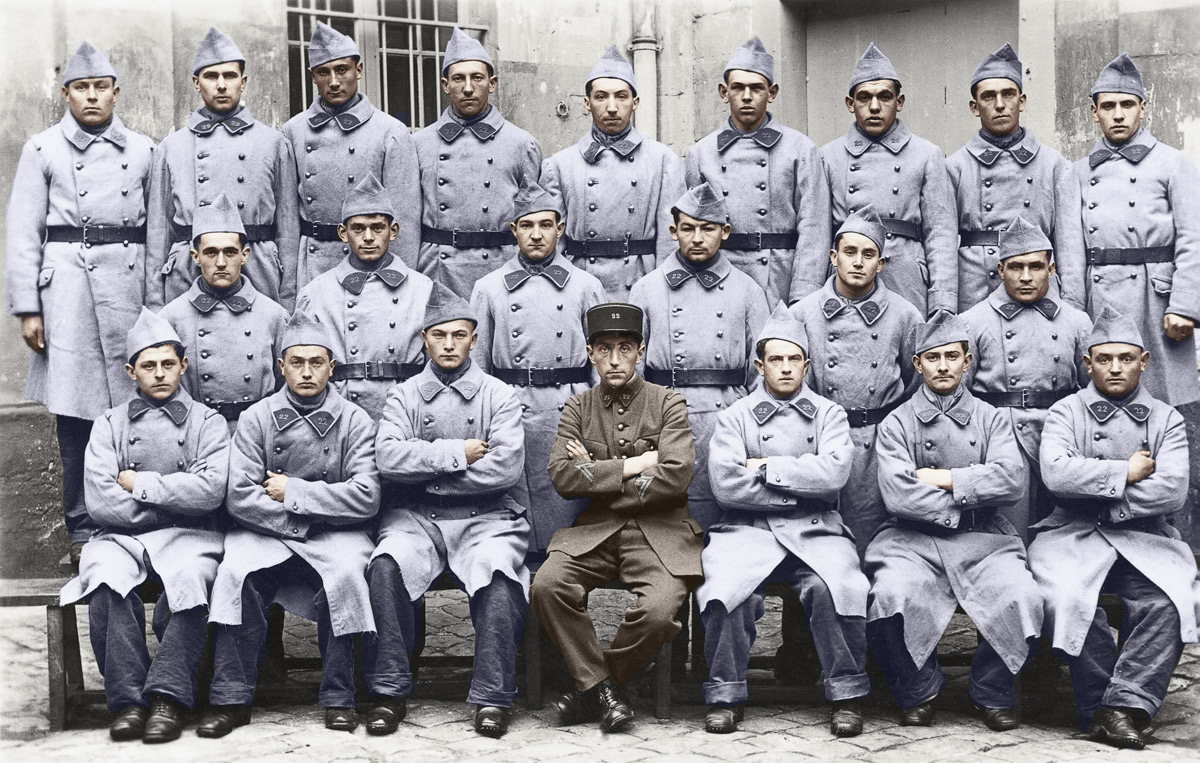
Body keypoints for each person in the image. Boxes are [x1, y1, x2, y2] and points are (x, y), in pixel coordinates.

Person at [5, 41, 155, 563]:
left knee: (137, 409)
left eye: (100, 88)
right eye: (80, 88)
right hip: (67, 290)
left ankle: (137, 515)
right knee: (75, 416)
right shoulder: (43, 149)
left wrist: (155, 301)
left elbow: (155, 232)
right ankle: (82, 524)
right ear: (65, 93)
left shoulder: (142, 150)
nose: (91, 97)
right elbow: (24, 232)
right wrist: (29, 307)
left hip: (130, 286)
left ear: (116, 92)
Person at [200, 311, 380, 737]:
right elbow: (240, 497)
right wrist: (301, 521)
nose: (306, 372)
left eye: (316, 362)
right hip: (270, 530)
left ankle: (340, 696)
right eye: (296, 362)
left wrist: (296, 492)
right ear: (280, 366)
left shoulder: (355, 420)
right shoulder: (257, 418)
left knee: (347, 576)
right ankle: (230, 697)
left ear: (331, 367)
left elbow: (367, 497)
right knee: (235, 574)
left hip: (336, 534)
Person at [365, 283, 530, 738]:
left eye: (459, 335)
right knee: (386, 565)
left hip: (487, 518)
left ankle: (492, 695)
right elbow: (388, 460)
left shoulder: (499, 395)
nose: (450, 344)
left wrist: (422, 465)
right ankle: (390, 688)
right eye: (439, 335)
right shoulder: (405, 396)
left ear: (474, 339)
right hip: (417, 517)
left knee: (498, 575)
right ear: (425, 339)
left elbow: (503, 470)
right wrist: (457, 453)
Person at [1030, 305, 1198, 750]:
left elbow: (1171, 491)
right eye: (1104, 359)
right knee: (1066, 598)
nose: (1115, 367)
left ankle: (1119, 708)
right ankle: (1101, 705)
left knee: (1170, 600)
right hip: (1070, 534)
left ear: (1144, 362)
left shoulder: (1166, 419)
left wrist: (1101, 497)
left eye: (1126, 358)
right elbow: (1057, 475)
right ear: (1088, 364)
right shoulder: (1065, 413)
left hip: (1146, 537)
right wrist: (1126, 470)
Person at [697, 304, 869, 737]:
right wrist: (800, 482)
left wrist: (765, 466)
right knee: (726, 593)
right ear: (760, 365)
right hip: (746, 531)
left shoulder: (830, 414)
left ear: (807, 365)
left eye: (795, 360)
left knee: (837, 589)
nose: (787, 368)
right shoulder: (734, 417)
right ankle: (725, 693)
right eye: (777, 359)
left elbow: (833, 477)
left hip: (818, 530)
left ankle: (846, 693)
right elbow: (727, 487)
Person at [59, 308, 228, 743]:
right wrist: (175, 501)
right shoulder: (108, 425)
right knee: (106, 582)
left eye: (168, 364)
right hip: (119, 538)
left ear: (183, 366)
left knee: (191, 582)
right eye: (148, 366)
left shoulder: (207, 423)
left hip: (193, 537)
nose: (159, 374)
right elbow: (101, 503)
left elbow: (210, 492)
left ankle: (169, 697)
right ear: (131, 371)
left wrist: (143, 486)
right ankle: (128, 702)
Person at [530, 303, 700, 733]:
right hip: (595, 533)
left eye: (625, 348)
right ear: (590, 353)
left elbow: (676, 476)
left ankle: (598, 687)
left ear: (640, 351)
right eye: (604, 349)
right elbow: (563, 475)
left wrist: (599, 475)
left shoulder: (668, 403)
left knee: (661, 611)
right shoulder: (578, 407)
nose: (614, 359)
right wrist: (636, 464)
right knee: (548, 586)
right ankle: (605, 690)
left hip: (660, 533)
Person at [865, 319, 1042, 731]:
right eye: (932, 358)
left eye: (951, 357)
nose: (942, 366)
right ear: (917, 364)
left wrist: (943, 478)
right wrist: (971, 491)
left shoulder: (993, 419)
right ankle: (919, 687)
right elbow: (898, 494)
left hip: (986, 538)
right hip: (911, 539)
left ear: (966, 362)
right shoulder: (897, 422)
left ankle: (990, 691)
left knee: (1024, 597)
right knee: (890, 597)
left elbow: (1011, 480)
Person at [469, 180, 606, 551]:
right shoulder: (489, 288)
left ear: (559, 229)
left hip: (568, 407)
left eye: (545, 225)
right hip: (512, 409)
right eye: (526, 226)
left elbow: (601, 364)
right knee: (516, 515)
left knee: (566, 514)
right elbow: (478, 368)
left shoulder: (586, 286)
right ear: (513, 230)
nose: (536, 235)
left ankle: (561, 595)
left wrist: (599, 419)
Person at [628, 182, 769, 530]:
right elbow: (633, 367)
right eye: (688, 228)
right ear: (674, 231)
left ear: (725, 232)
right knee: (666, 511)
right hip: (664, 413)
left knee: (721, 507)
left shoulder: (749, 290)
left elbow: (761, 368)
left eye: (707, 229)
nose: (697, 238)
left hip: (726, 413)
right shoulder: (646, 289)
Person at [789, 207, 922, 552]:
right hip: (816, 441)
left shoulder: (905, 315)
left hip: (876, 443)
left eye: (868, 254)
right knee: (815, 545)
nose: (858, 262)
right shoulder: (802, 313)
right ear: (834, 257)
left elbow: (914, 382)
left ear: (881, 264)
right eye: (850, 252)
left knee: (872, 542)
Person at [1076, 52, 1200, 410]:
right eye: (1108, 105)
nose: (1118, 114)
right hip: (1097, 297)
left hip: (1154, 299)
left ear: (1143, 108)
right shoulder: (1078, 171)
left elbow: (1194, 238)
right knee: (1101, 400)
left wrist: (1185, 306)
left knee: (1164, 404)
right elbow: (1070, 250)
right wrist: (1073, 309)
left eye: (1127, 104)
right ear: (1093, 112)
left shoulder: (1173, 163)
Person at [146, 28, 299, 310]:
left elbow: (288, 229)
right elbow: (158, 231)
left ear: (243, 81)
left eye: (229, 76)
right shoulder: (171, 146)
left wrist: (288, 294)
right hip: (188, 270)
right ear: (196, 82)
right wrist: (155, 300)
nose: (221, 85)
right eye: (211, 76)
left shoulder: (274, 143)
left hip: (257, 267)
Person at [960, 217, 1092, 531]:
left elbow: (1093, 392)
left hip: (1061, 437)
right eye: (1016, 267)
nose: (1026, 277)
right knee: (1010, 533)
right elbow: (959, 397)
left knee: (1067, 533)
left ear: (1052, 269)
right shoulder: (972, 322)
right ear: (1000, 270)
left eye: (1035, 267)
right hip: (1002, 438)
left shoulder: (1077, 322)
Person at [685, 37, 832, 308]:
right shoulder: (701, 154)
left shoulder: (800, 149)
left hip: (779, 277)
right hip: (720, 275)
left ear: (772, 93)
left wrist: (804, 292)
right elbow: (691, 230)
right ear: (723, 92)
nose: (747, 97)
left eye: (757, 88)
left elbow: (815, 229)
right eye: (738, 88)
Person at [821, 43, 957, 321]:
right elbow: (816, 235)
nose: (874, 107)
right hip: (846, 277)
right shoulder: (827, 156)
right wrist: (808, 295)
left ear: (899, 101)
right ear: (850, 104)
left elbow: (940, 234)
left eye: (884, 96)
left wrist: (942, 300)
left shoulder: (927, 154)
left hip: (905, 275)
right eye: (864, 98)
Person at [539, 45, 685, 302]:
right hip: (579, 284)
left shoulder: (663, 161)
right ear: (586, 103)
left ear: (635, 102)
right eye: (601, 97)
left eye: (621, 96)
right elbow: (553, 244)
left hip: (641, 282)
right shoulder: (559, 165)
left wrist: (662, 295)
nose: (612, 107)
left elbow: (669, 243)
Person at [947, 43, 1085, 313]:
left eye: (1008, 94)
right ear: (974, 107)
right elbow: (942, 245)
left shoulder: (1055, 165)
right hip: (976, 291)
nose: (1000, 105)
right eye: (988, 97)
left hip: (1040, 290)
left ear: (1022, 101)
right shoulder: (954, 167)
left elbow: (1070, 247)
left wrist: (1073, 308)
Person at [283, 21, 419, 288]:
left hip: (372, 266)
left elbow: (405, 223)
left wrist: (400, 285)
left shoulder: (390, 131)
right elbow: (287, 222)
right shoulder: (293, 131)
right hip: (313, 266)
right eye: (324, 72)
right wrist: (289, 285)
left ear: (359, 70)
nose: (333, 82)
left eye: (342, 70)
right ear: (312, 76)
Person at [414, 27, 541, 299]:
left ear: (492, 83)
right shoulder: (420, 144)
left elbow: (535, 218)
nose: (468, 88)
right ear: (445, 84)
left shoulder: (521, 143)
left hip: (501, 268)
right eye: (458, 79)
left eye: (477, 78)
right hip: (438, 268)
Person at [294, 173, 433, 420]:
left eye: (377, 228)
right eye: (358, 228)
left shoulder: (423, 290)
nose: (368, 237)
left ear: (393, 231)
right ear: (343, 233)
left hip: (408, 412)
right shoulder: (316, 294)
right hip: (340, 414)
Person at [159, 192, 288, 431]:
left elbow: (286, 386)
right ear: (195, 256)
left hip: (257, 434)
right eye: (211, 253)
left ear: (244, 256)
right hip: (196, 433)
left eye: (230, 252)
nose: (220, 262)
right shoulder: (170, 318)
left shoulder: (274, 316)